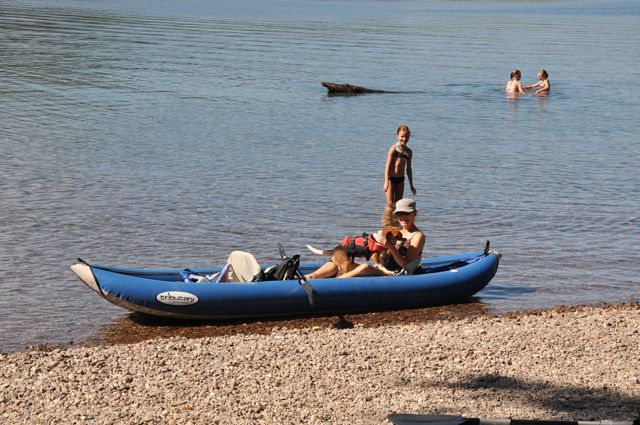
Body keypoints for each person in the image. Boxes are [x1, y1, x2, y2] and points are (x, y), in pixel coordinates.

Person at [338, 198, 426, 278]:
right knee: (340, 263)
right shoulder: (396, 232)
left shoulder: (417, 235)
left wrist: (390, 246)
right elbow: (384, 259)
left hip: (399, 274)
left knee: (365, 267)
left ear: (414, 213)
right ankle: (326, 284)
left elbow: (406, 265)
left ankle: (335, 283)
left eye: (406, 213)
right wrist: (381, 247)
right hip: (386, 270)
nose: (402, 217)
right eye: (399, 214)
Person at [384, 125, 416, 208]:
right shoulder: (393, 149)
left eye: (406, 137)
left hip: (401, 180)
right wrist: (386, 181)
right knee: (390, 204)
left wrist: (411, 185)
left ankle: (395, 220)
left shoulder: (409, 152)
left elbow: (408, 169)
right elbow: (387, 165)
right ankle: (387, 220)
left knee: (398, 205)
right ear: (397, 136)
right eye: (402, 136)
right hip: (391, 179)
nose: (404, 139)